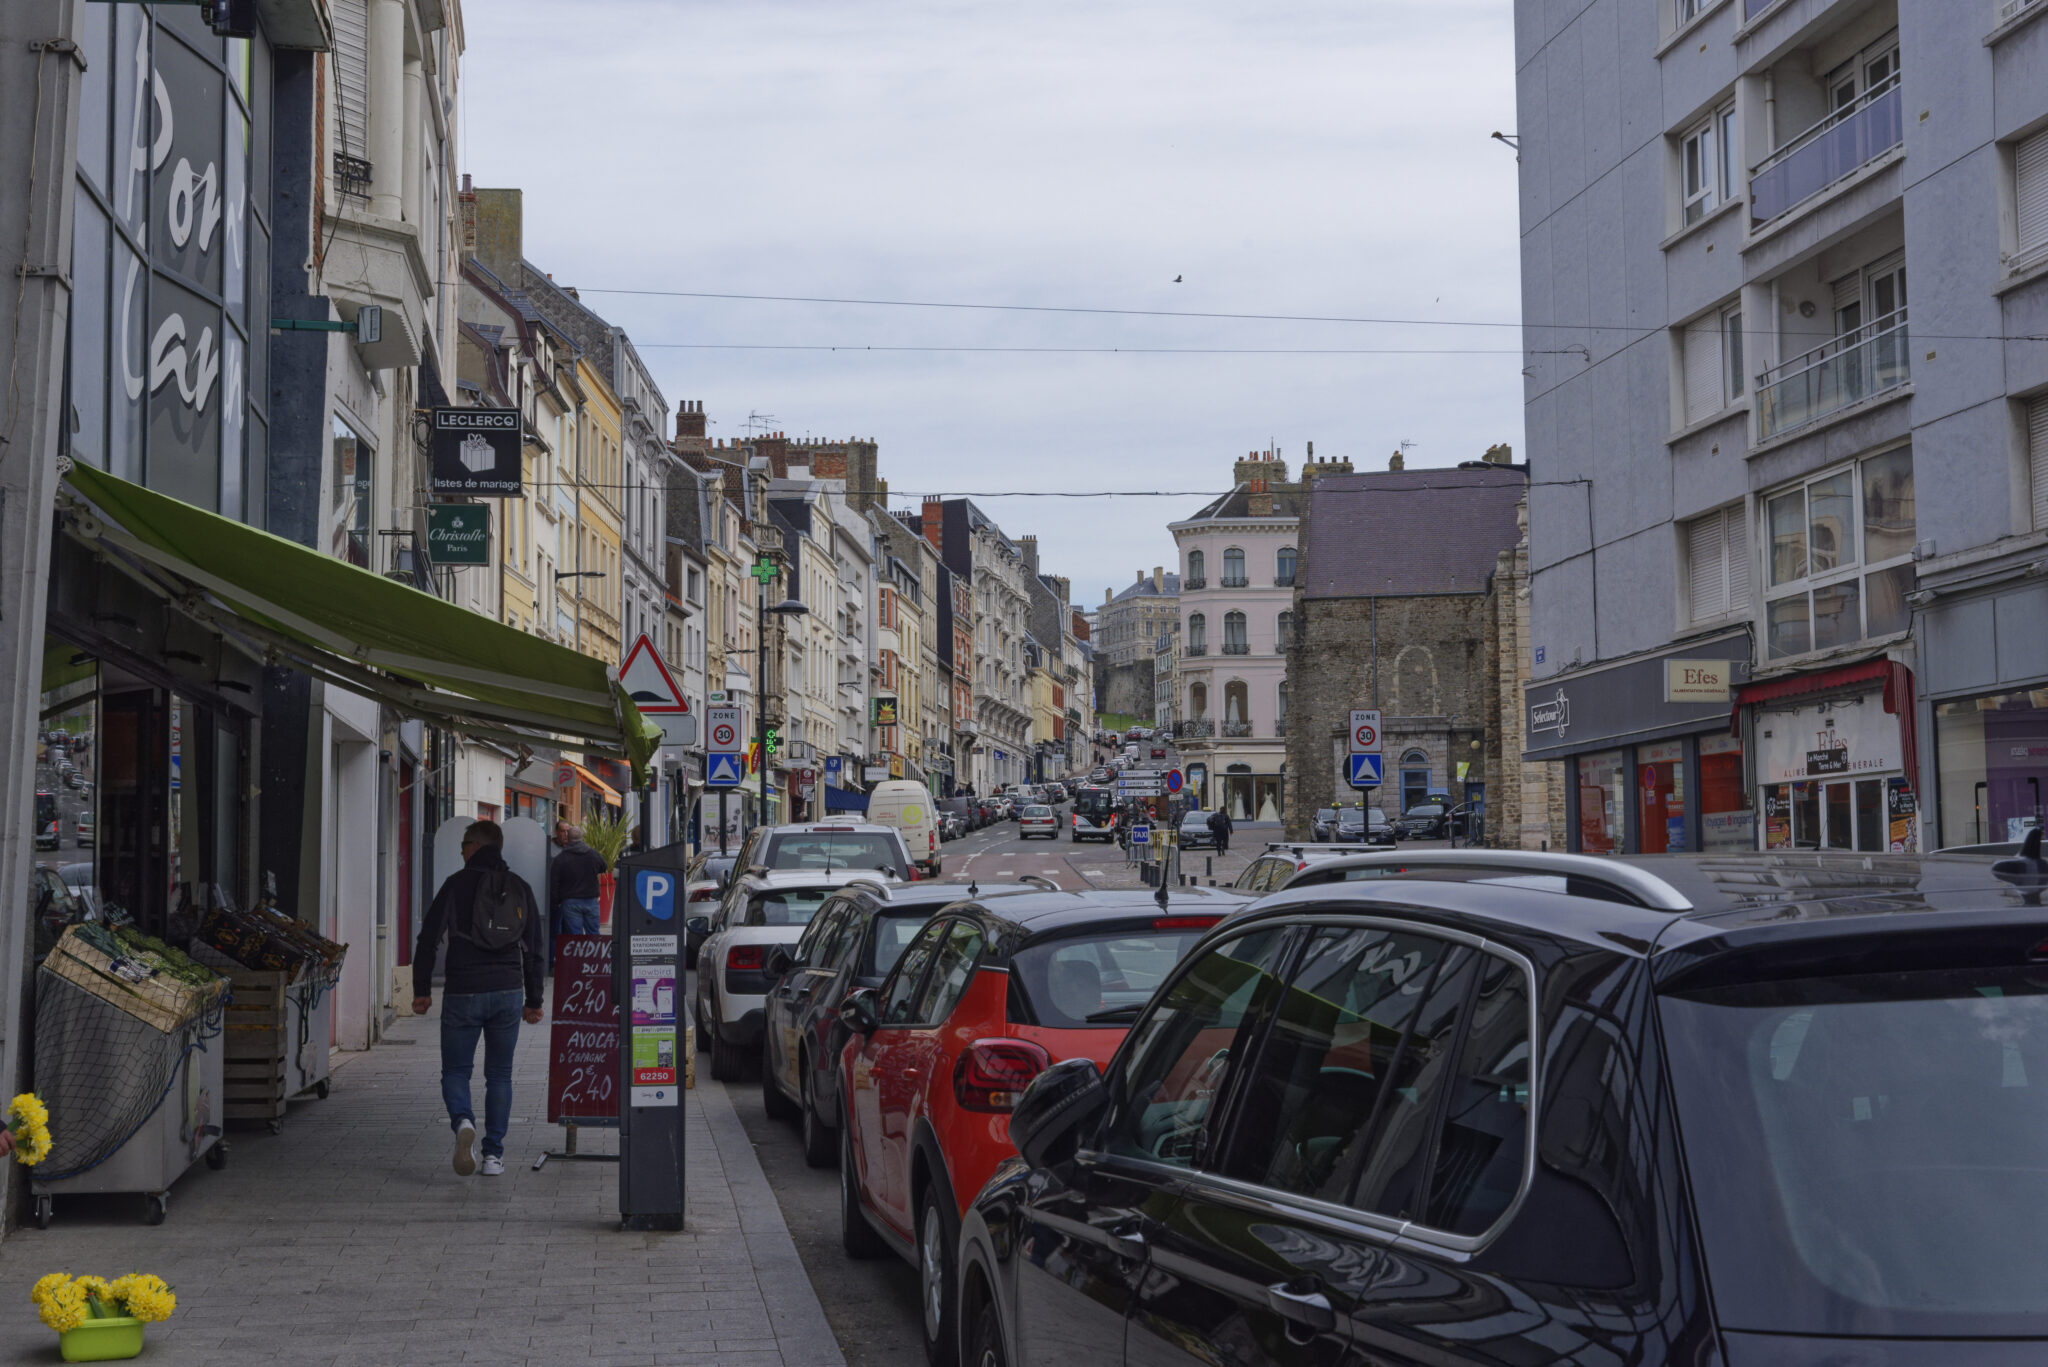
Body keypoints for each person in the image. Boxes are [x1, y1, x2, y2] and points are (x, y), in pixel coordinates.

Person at [414, 820, 545, 1177]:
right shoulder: (520, 887)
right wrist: (534, 999)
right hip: (507, 990)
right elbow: (535, 948)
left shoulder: (455, 885)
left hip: (463, 992)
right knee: (500, 1075)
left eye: (463, 844)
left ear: (475, 846)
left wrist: (421, 990)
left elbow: (428, 939)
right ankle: (493, 1156)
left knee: (456, 1071)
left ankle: (462, 1122)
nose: (460, 850)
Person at [550, 821, 606, 937]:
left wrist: (557, 902)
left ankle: (577, 955)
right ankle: (594, 955)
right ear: (582, 838)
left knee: (575, 938)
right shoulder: (593, 854)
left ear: (568, 839)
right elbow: (603, 867)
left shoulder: (560, 858)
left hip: (570, 902)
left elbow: (554, 883)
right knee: (594, 935)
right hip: (591, 900)